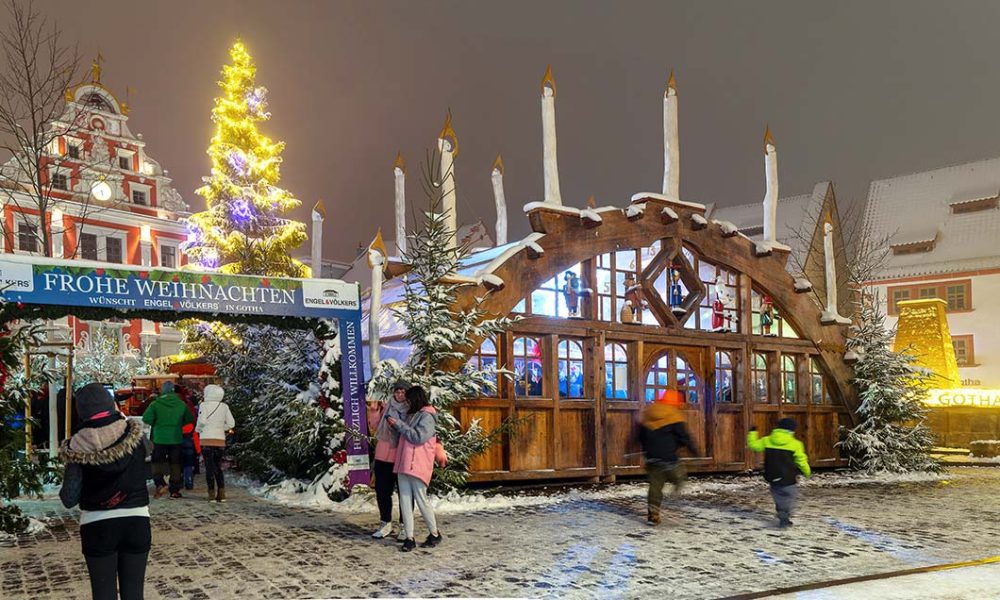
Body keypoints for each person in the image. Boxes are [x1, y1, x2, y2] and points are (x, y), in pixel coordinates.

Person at [59, 383, 151, 600]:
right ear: (111, 404)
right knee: (134, 593)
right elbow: (147, 469)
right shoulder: (136, 435)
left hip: (97, 525)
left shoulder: (77, 446)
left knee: (103, 594)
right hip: (136, 520)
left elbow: (69, 498)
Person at [388, 386, 445, 552]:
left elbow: (418, 437)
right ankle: (409, 537)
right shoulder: (412, 414)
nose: (407, 403)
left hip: (417, 464)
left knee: (421, 499)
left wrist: (399, 424)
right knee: (405, 500)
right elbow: (407, 435)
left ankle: (434, 533)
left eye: (409, 400)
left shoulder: (427, 416)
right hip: (405, 462)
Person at [638, 389, 695, 525]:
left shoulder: (648, 413)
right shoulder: (674, 415)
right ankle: (676, 488)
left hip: (652, 457)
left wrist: (646, 450)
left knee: (655, 486)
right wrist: (692, 449)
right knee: (679, 476)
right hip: (669, 457)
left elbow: (640, 436)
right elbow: (683, 437)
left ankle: (653, 514)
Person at [747, 417, 811, 528]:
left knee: (778, 495)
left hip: (772, 475)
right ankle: (784, 514)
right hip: (788, 476)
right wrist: (807, 471)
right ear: (792, 430)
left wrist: (752, 433)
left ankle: (781, 511)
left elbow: (753, 445)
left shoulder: (767, 440)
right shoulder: (795, 444)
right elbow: (801, 460)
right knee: (789, 495)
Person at [368, 380, 411, 539]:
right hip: (382, 455)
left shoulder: (411, 410)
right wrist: (374, 411)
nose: (399, 394)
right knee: (382, 491)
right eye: (397, 391)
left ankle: (405, 526)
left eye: (403, 392)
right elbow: (375, 426)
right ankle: (385, 523)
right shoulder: (387, 406)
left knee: (404, 494)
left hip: (401, 456)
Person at [142, 381, 192, 499]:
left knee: (157, 462)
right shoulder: (181, 404)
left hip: (159, 438)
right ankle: (174, 490)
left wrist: (157, 423)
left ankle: (160, 483)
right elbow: (189, 419)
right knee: (175, 464)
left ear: (163, 390)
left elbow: (146, 418)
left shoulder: (155, 404)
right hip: (176, 438)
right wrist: (178, 424)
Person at [195, 384, 235, 503]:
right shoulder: (224, 406)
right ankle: (221, 494)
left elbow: (202, 421)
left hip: (206, 440)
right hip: (220, 440)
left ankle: (211, 494)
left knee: (209, 467)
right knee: (218, 467)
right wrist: (221, 427)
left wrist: (198, 429)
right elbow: (231, 424)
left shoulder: (204, 405)